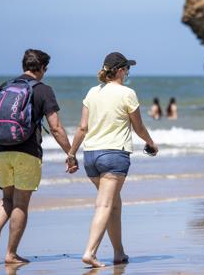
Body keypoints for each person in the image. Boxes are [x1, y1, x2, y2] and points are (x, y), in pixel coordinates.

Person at [0, 49, 77, 264]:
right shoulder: (43, 90)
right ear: (43, 68)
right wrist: (70, 153)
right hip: (27, 152)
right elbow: (55, 127)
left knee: (6, 198)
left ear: (23, 65)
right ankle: (10, 253)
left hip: (1, 150)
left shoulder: (4, 87)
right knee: (21, 203)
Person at [67, 52, 158, 268]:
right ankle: (90, 252)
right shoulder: (128, 93)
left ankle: (119, 252)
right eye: (127, 69)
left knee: (114, 204)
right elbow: (139, 127)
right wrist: (151, 143)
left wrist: (71, 153)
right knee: (105, 204)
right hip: (114, 156)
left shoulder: (92, 92)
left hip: (90, 156)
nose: (128, 73)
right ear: (119, 70)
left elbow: (82, 128)